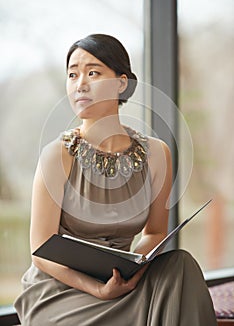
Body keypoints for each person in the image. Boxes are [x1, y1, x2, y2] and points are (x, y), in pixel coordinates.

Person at [14, 34, 217, 325]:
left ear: (122, 83)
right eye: (72, 74)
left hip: (122, 283)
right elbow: (40, 252)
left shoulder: (157, 154)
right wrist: (98, 289)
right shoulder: (57, 155)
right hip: (61, 292)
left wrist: (131, 269)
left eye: (93, 72)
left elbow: (155, 233)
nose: (80, 83)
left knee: (180, 265)